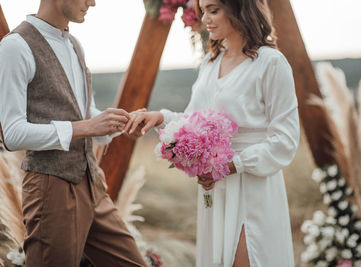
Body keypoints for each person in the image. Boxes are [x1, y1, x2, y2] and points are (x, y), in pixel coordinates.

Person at [125, 0, 300, 266]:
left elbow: (285, 140)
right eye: (202, 11)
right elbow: (194, 119)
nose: (205, 18)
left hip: (254, 184)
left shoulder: (271, 62)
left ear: (239, 8)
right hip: (214, 188)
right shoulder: (211, 61)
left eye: (213, 10)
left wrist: (232, 164)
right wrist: (160, 117)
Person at [0, 0, 147, 266]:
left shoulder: (74, 44)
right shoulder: (15, 46)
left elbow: (83, 114)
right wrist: (86, 127)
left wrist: (117, 125)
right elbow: (12, 134)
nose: (92, 3)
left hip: (92, 182)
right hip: (50, 188)